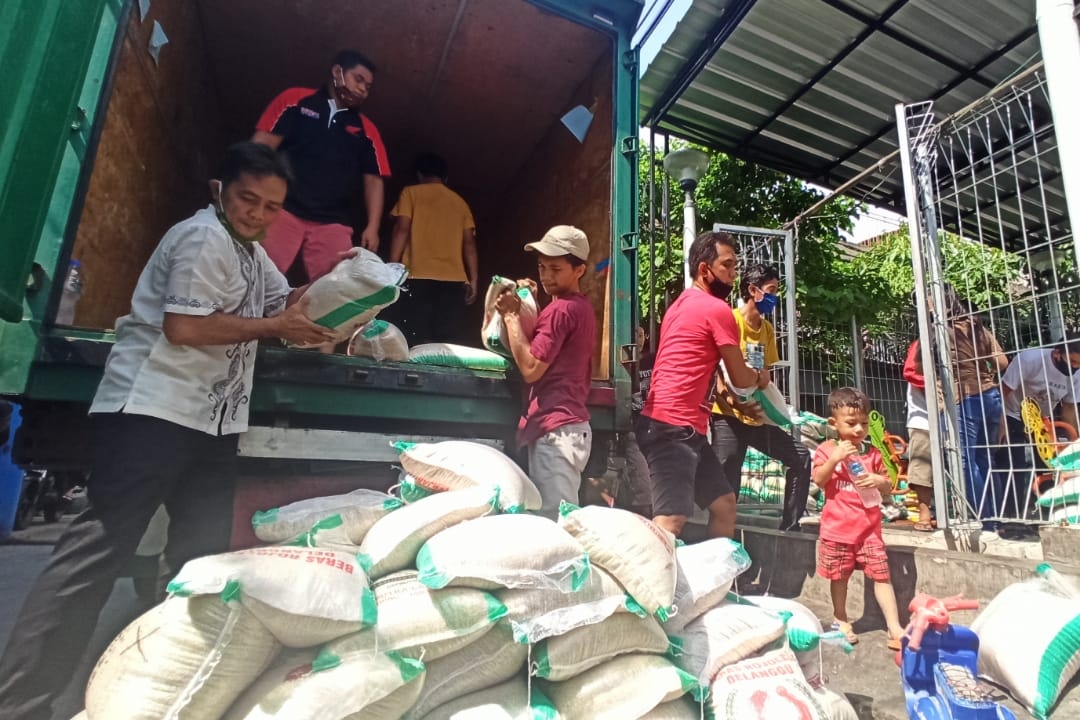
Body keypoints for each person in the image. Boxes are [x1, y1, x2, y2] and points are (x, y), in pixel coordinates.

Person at [0, 142, 339, 720]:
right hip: (154, 413)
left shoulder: (252, 256)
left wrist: (346, 278)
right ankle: (21, 703)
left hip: (210, 420)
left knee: (199, 559)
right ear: (219, 191)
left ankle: (163, 684)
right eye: (246, 200)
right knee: (95, 556)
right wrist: (277, 326)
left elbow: (287, 302)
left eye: (270, 206)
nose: (257, 214)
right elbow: (183, 328)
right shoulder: (202, 237)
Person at [636, 231, 769, 540]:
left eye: (735, 267)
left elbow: (703, 368)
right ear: (705, 269)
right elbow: (740, 377)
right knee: (670, 522)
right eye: (728, 266)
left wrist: (734, 403)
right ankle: (653, 586)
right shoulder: (717, 310)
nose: (734, 275)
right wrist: (760, 377)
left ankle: (715, 585)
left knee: (724, 504)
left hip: (678, 426)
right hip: (674, 427)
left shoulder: (680, 305)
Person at [253, 49, 391, 281]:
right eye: (358, 79)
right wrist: (247, 192)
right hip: (282, 208)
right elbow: (260, 149)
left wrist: (373, 226)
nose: (362, 90)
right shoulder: (295, 100)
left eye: (368, 86)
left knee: (335, 292)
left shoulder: (367, 130)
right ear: (337, 71)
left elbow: (374, 181)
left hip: (332, 221)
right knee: (257, 277)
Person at [495, 225, 596, 517]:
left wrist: (512, 316)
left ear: (579, 270)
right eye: (541, 267)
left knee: (556, 521)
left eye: (555, 268)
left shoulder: (561, 311)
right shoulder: (578, 307)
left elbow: (530, 369)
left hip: (556, 429)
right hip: (567, 427)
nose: (546, 275)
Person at [710, 264, 811, 531]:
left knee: (800, 458)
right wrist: (733, 400)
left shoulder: (765, 329)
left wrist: (765, 378)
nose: (774, 298)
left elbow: (763, 370)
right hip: (728, 416)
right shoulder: (730, 321)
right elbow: (715, 369)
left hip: (757, 418)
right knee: (726, 480)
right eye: (771, 291)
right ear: (753, 290)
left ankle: (791, 525)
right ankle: (718, 540)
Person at [812, 387, 905, 649]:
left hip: (869, 530)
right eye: (851, 423)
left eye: (863, 423)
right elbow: (819, 479)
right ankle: (840, 618)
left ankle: (893, 625)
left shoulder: (872, 453)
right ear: (834, 423)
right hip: (837, 529)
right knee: (839, 577)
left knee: (881, 575)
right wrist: (835, 459)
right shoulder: (827, 449)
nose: (858, 429)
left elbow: (888, 484)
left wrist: (878, 480)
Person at [922, 286, 1008, 520]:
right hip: (990, 397)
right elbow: (1001, 362)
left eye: (926, 300)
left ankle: (983, 520)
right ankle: (997, 519)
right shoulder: (977, 326)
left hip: (963, 398)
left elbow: (922, 367)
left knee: (965, 460)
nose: (925, 305)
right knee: (984, 458)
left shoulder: (938, 329)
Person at [385, 152, 478, 345]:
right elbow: (469, 244)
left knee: (412, 336)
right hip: (454, 280)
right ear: (445, 177)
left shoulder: (411, 193)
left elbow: (402, 229)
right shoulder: (460, 203)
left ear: (419, 175)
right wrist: (473, 279)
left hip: (416, 275)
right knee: (446, 340)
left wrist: (392, 268)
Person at [996, 339, 1080, 517]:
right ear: (1057, 353)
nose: (1074, 367)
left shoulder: (1077, 374)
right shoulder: (1029, 360)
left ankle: (1045, 515)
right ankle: (1012, 518)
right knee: (1018, 466)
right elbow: (1002, 391)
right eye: (1072, 361)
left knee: (1049, 466)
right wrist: (1001, 423)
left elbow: (1069, 408)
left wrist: (1074, 443)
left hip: (1042, 423)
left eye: (1079, 364)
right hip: (1013, 414)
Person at [902, 338, 934, 531]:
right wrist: (938, 384)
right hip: (923, 416)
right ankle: (924, 513)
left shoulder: (969, 342)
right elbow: (911, 372)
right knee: (922, 465)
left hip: (957, 412)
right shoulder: (923, 343)